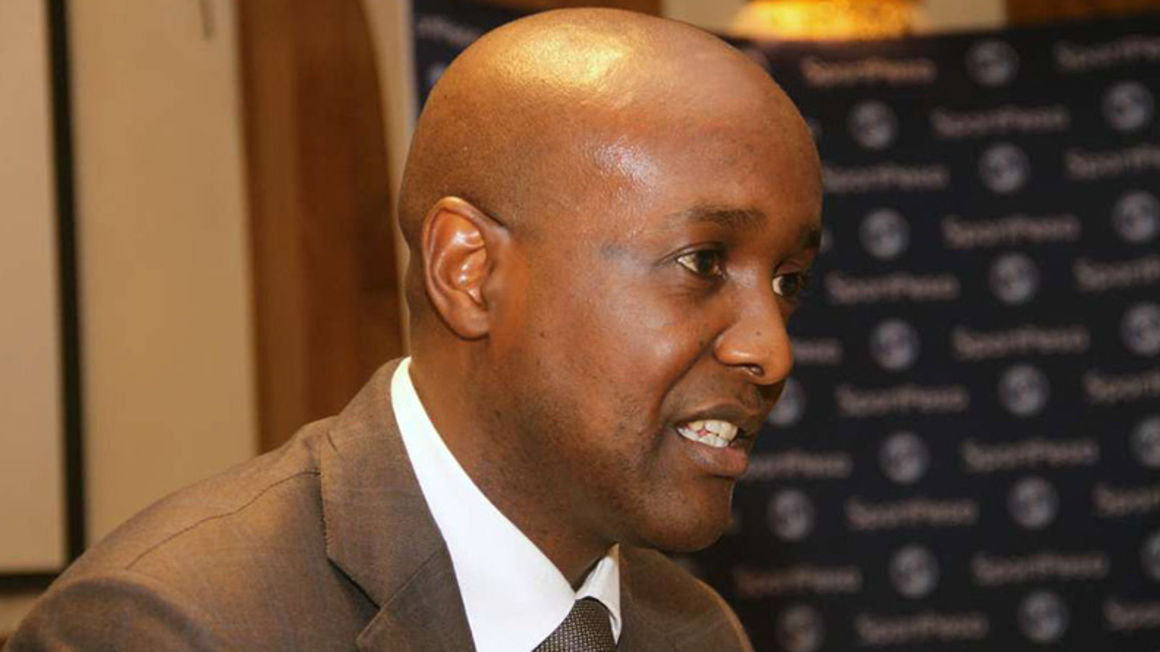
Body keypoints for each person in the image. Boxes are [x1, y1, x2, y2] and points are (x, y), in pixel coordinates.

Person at [9, 7, 821, 651]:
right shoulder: (170, 627)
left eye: (788, 281)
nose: (772, 349)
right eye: (702, 262)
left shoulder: (693, 631)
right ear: (469, 271)